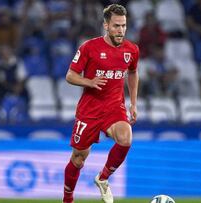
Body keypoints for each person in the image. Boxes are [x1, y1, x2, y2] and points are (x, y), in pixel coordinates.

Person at [63, 4, 139, 203]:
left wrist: (133, 103)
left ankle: (103, 178)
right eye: (116, 26)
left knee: (125, 138)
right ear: (106, 25)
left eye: (123, 26)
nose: (121, 30)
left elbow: (132, 72)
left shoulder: (131, 50)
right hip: (90, 110)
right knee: (78, 158)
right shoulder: (89, 47)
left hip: (114, 107)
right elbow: (70, 75)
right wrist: (89, 82)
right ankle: (67, 199)